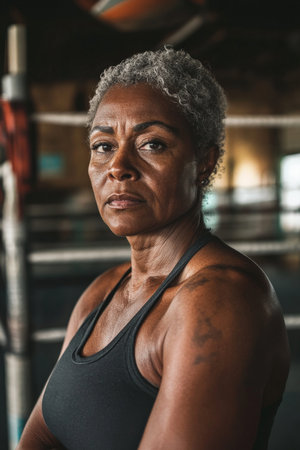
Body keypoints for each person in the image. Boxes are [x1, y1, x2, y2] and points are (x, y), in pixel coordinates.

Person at [18, 47, 289, 450]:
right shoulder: (102, 292)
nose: (118, 166)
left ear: (203, 161)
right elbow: (40, 437)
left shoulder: (222, 300)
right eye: (103, 146)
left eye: (152, 144)